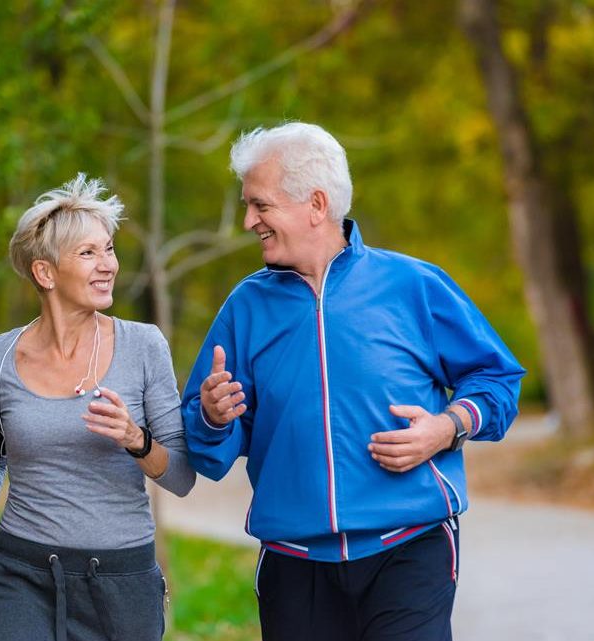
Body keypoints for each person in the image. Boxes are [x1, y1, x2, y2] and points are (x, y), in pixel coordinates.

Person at [181, 123, 525, 641]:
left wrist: (448, 426)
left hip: (409, 548)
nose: (249, 221)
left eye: (260, 205)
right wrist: (211, 417)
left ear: (316, 205)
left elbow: (497, 378)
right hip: (294, 564)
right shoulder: (245, 309)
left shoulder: (413, 285)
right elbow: (209, 456)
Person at [0, 173, 195, 641]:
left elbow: (180, 476)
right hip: (24, 574)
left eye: (110, 249)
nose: (109, 265)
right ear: (45, 273)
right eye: (88, 253)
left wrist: (135, 440)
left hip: (123, 582)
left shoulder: (144, 347)